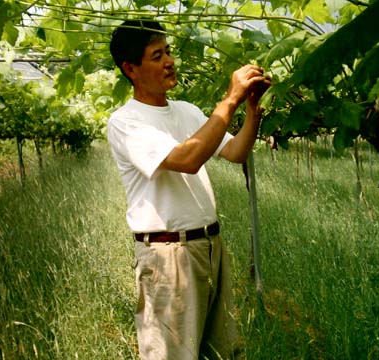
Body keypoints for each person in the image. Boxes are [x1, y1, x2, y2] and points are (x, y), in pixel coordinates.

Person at [107, 19, 271, 360]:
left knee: (222, 351)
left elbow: (235, 151)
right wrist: (229, 100)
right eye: (156, 56)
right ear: (130, 68)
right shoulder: (126, 122)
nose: (169, 61)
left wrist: (252, 111)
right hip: (169, 256)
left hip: (210, 247)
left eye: (168, 52)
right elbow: (188, 158)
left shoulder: (187, 111)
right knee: (173, 354)